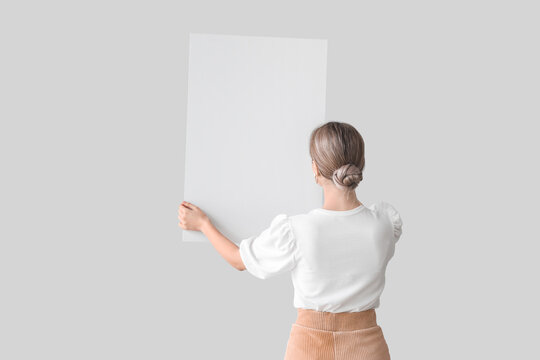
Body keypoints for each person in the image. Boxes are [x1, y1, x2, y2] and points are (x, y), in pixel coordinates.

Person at [178, 121, 403, 360]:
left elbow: (239, 260)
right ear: (360, 166)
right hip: (368, 348)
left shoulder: (298, 230)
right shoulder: (385, 223)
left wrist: (203, 224)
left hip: (310, 348)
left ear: (315, 169)